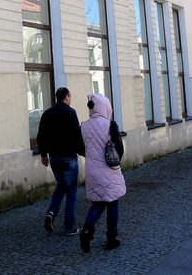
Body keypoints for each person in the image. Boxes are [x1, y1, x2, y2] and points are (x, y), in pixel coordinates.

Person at [79, 93, 126, 253]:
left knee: (98, 203)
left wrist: (92, 156)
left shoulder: (83, 125)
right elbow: (119, 148)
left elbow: (79, 148)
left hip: (92, 170)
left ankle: (86, 230)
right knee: (112, 202)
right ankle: (111, 239)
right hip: (109, 170)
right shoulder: (110, 125)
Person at [36, 87, 85, 236]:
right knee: (71, 191)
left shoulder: (47, 113)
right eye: (70, 96)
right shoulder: (70, 113)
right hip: (69, 157)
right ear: (66, 97)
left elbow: (40, 136)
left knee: (61, 186)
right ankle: (69, 226)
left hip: (54, 157)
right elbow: (77, 135)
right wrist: (84, 153)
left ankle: (51, 212)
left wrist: (44, 154)